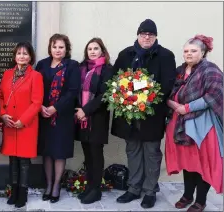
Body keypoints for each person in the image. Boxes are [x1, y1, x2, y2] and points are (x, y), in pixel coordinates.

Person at [111, 19, 176, 208]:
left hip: (152, 114)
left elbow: (168, 83)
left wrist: (144, 101)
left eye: (150, 34)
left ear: (155, 37)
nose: (146, 37)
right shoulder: (126, 54)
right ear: (138, 35)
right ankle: (133, 188)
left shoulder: (165, 55)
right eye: (143, 34)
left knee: (151, 153)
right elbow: (115, 80)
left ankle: (149, 191)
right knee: (133, 151)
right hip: (129, 114)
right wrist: (125, 100)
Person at [165, 35, 223, 212]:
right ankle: (187, 195)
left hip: (202, 125)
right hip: (180, 122)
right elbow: (167, 90)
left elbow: (213, 95)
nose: (188, 54)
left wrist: (187, 108)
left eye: (193, 51)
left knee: (201, 163)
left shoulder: (210, 70)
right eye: (186, 51)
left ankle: (201, 200)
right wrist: (172, 104)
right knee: (188, 162)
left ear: (203, 53)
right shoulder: (179, 70)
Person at [36, 33, 81, 203]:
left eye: (61, 47)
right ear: (50, 48)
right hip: (44, 115)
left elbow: (72, 91)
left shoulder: (72, 66)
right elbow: (35, 88)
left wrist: (55, 107)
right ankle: (48, 184)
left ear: (66, 49)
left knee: (59, 152)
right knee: (47, 152)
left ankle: (56, 186)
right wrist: (40, 106)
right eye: (55, 46)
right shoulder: (42, 64)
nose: (57, 50)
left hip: (62, 116)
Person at [0, 42, 44, 208]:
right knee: (12, 160)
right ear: (14, 56)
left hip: (26, 125)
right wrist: (3, 115)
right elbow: (0, 96)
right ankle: (14, 191)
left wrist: (22, 120)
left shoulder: (36, 76)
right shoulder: (7, 74)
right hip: (9, 123)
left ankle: (22, 194)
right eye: (19, 53)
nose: (22, 56)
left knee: (24, 161)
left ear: (30, 57)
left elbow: (37, 102)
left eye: (25, 53)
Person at [75, 38, 113, 204]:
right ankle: (89, 186)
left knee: (96, 154)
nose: (92, 51)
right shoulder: (81, 68)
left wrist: (86, 110)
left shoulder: (107, 69)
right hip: (81, 119)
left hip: (97, 118)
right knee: (87, 154)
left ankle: (96, 189)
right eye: (89, 48)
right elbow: (76, 90)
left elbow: (104, 95)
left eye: (95, 48)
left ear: (102, 51)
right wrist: (79, 110)